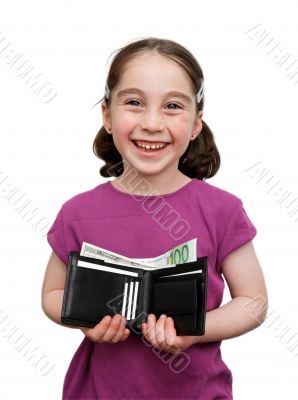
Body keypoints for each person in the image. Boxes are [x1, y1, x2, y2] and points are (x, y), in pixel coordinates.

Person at [41, 37, 268, 399]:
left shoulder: (223, 211)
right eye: (133, 102)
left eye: (172, 106)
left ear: (196, 124)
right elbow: (53, 293)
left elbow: (253, 301)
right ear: (107, 116)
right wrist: (84, 321)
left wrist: (197, 330)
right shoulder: (77, 212)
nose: (151, 122)